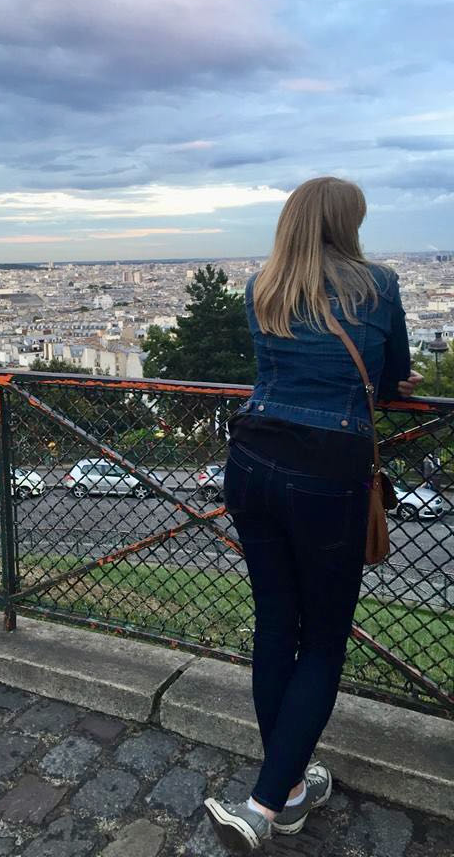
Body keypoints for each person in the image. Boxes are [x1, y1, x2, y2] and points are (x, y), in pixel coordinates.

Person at [204, 176, 422, 852]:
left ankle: (293, 788)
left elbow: (279, 370)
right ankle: (266, 804)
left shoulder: (261, 287)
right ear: (346, 222)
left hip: (251, 461)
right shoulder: (377, 285)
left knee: (276, 625)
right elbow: (389, 378)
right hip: (327, 474)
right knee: (324, 640)